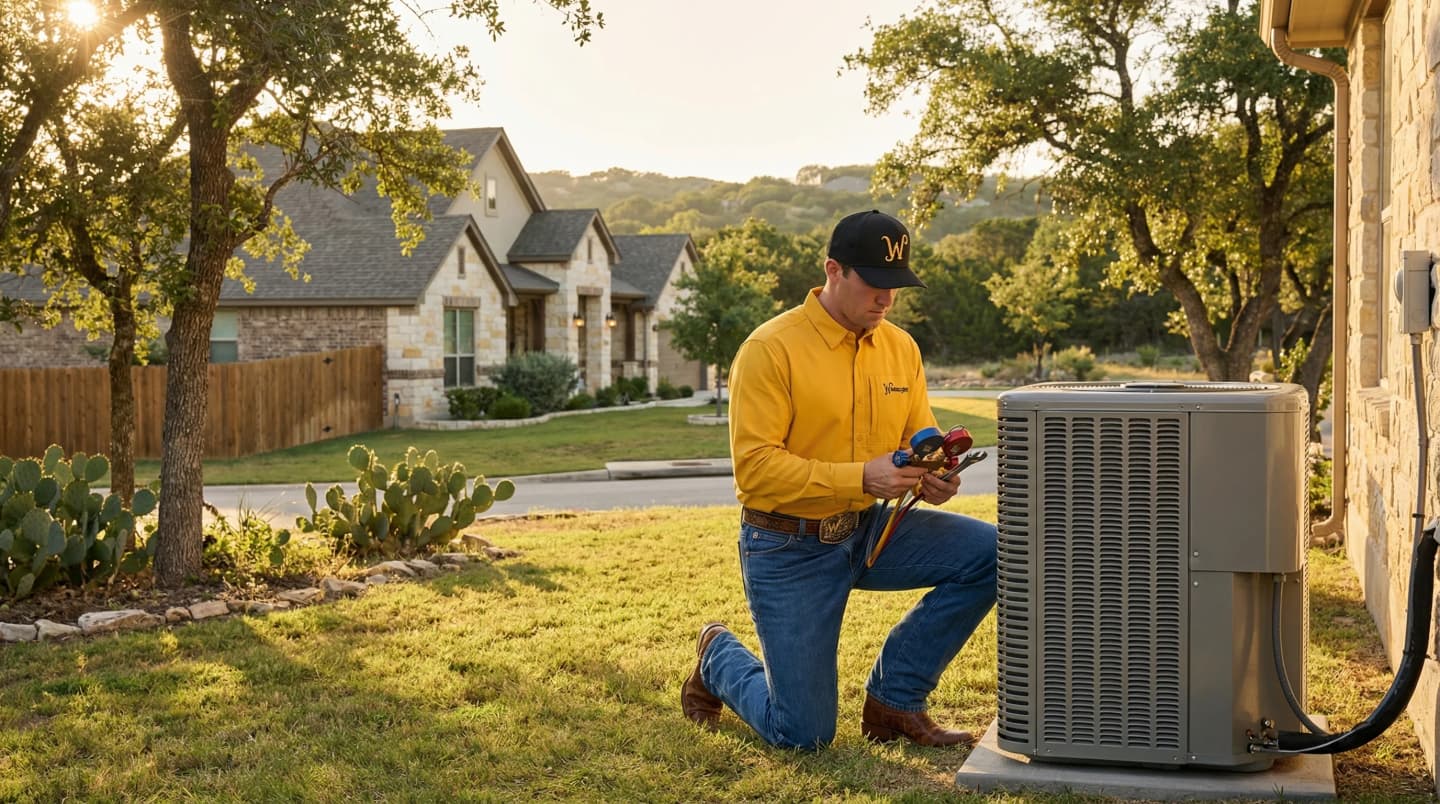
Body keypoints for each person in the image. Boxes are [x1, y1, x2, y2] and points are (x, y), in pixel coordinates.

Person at [680, 209, 998, 750]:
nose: (886, 299)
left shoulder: (901, 348)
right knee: (802, 735)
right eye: (874, 284)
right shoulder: (769, 349)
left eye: (895, 286)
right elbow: (755, 468)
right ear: (834, 270)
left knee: (996, 553)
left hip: (870, 529)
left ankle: (894, 701)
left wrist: (934, 474)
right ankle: (717, 657)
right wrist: (861, 477)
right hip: (786, 545)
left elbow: (920, 435)